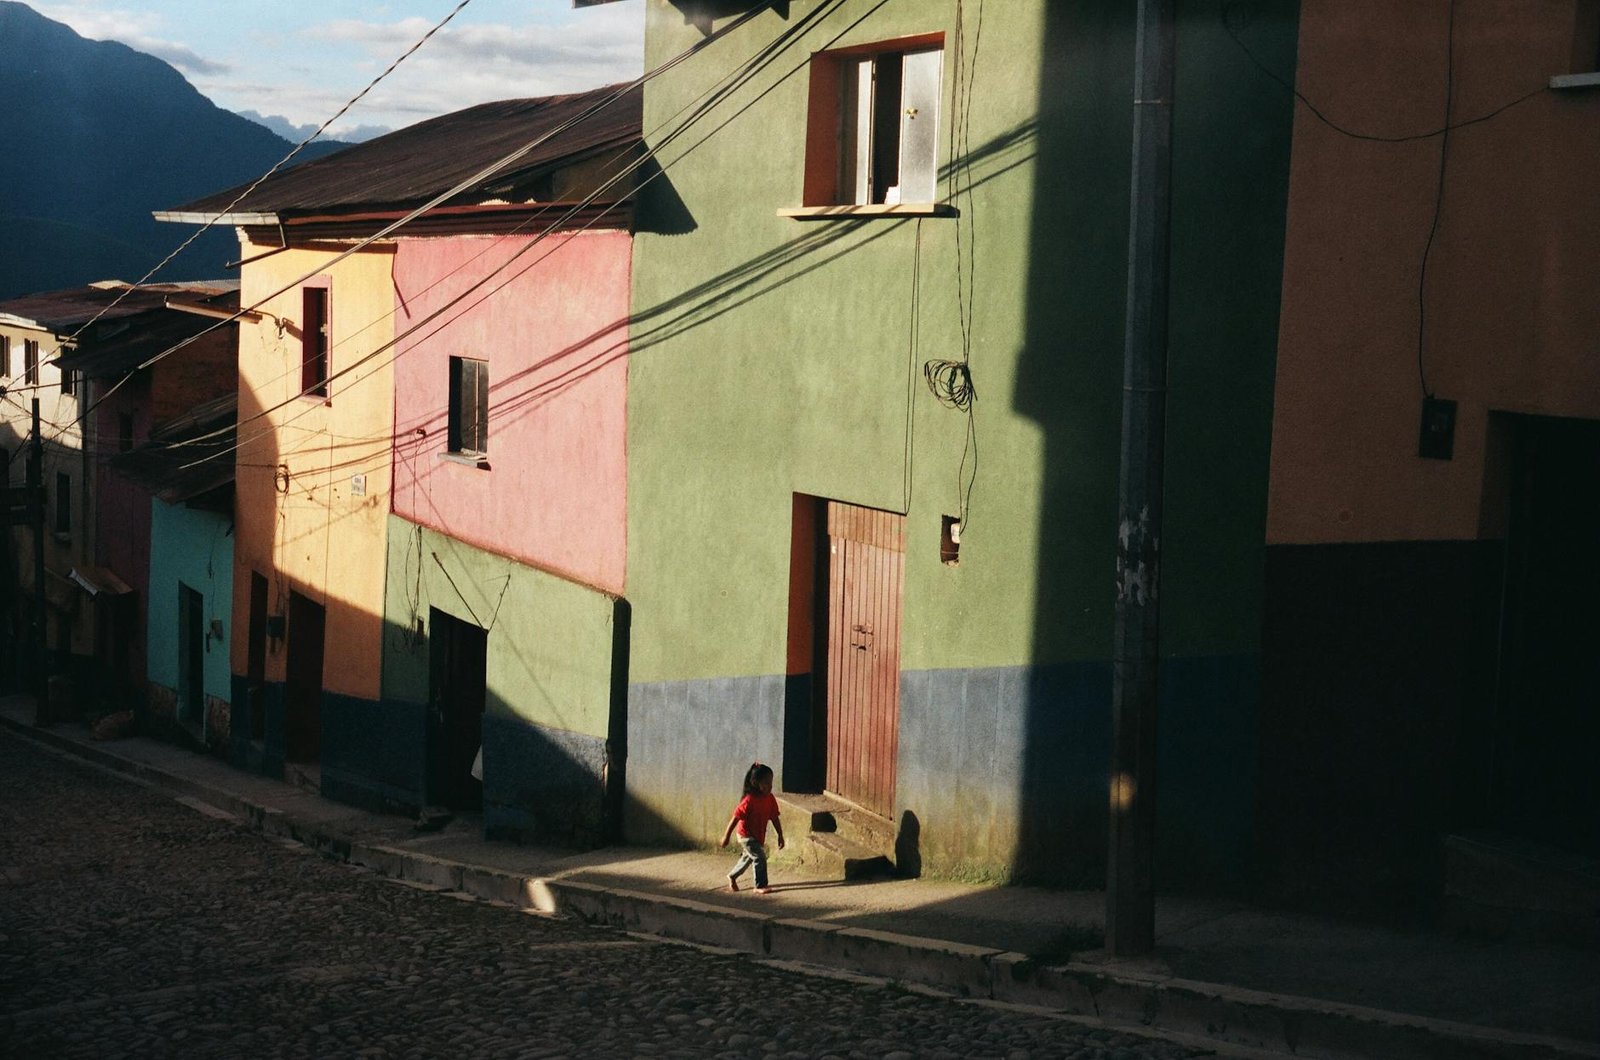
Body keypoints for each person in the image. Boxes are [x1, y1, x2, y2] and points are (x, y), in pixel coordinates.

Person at [720, 761, 784, 894]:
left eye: (771, 782)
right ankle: (760, 885)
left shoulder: (770, 799)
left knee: (748, 858)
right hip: (746, 835)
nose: (769, 786)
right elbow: (735, 818)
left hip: (757, 835)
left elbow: (774, 818)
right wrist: (726, 837)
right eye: (766, 783)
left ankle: (732, 876)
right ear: (756, 783)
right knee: (759, 857)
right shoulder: (749, 801)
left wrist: (780, 835)